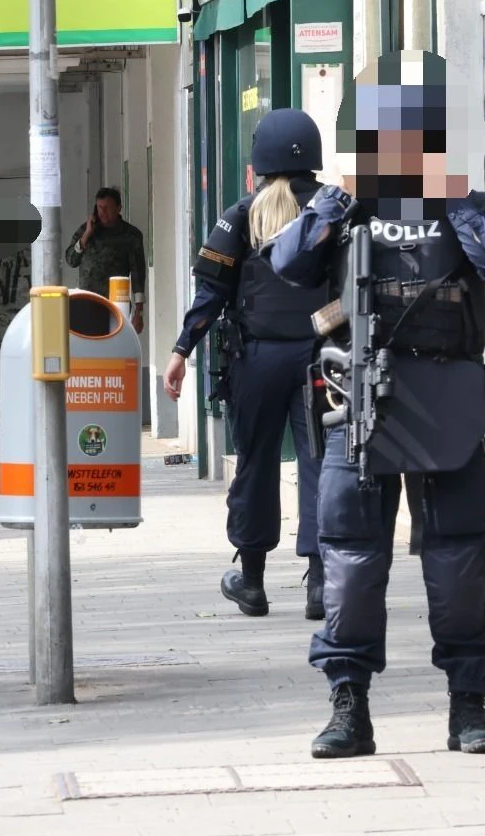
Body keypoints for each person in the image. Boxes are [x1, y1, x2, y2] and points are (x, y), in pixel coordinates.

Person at [265, 49, 485, 759]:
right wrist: (334, 199)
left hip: (449, 392)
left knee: (460, 561)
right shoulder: (343, 201)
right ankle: (348, 702)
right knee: (352, 560)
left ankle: (469, 702)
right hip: (357, 397)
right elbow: (289, 264)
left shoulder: (465, 203)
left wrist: (454, 200)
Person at [161, 108, 331, 621]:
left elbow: (210, 293)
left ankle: (252, 581)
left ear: (258, 162)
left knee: (255, 465)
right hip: (321, 359)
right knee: (321, 466)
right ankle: (321, 583)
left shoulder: (242, 214)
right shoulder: (333, 210)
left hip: (257, 361)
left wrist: (179, 352)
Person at [65, 186, 148, 332]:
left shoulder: (131, 235)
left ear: (118, 208)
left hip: (115, 304)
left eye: (107, 208)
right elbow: (71, 260)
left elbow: (138, 275)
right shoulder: (87, 230)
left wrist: (138, 312)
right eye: (99, 207)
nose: (102, 212)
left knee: (111, 346)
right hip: (87, 302)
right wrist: (86, 235)